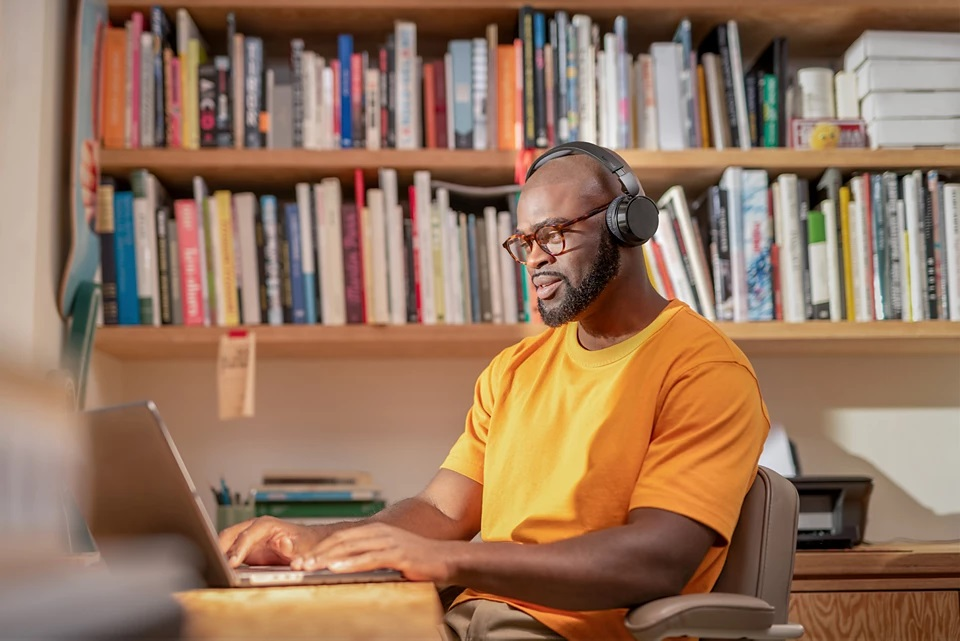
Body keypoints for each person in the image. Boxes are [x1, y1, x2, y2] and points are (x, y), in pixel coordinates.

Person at [219, 143, 771, 641]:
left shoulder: (704, 369)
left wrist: (450, 562)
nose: (534, 259)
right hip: (464, 622)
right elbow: (439, 510)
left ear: (629, 225)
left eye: (553, 234)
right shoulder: (514, 370)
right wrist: (314, 542)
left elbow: (656, 560)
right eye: (523, 242)